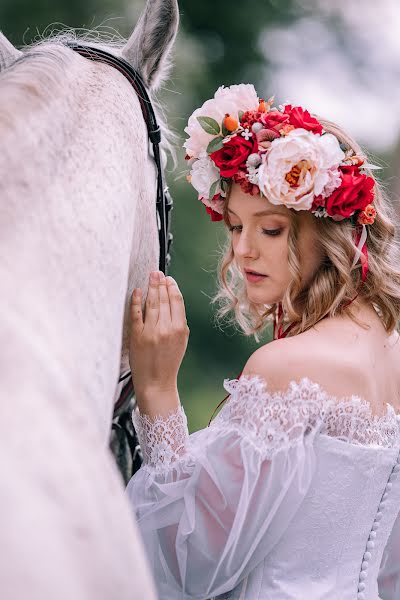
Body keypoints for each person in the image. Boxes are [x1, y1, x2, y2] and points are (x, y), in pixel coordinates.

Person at [126, 84, 400, 599]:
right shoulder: (392, 350)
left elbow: (192, 567)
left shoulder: (285, 368)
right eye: (234, 227)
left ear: (333, 227)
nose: (244, 250)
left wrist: (157, 389)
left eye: (271, 230)